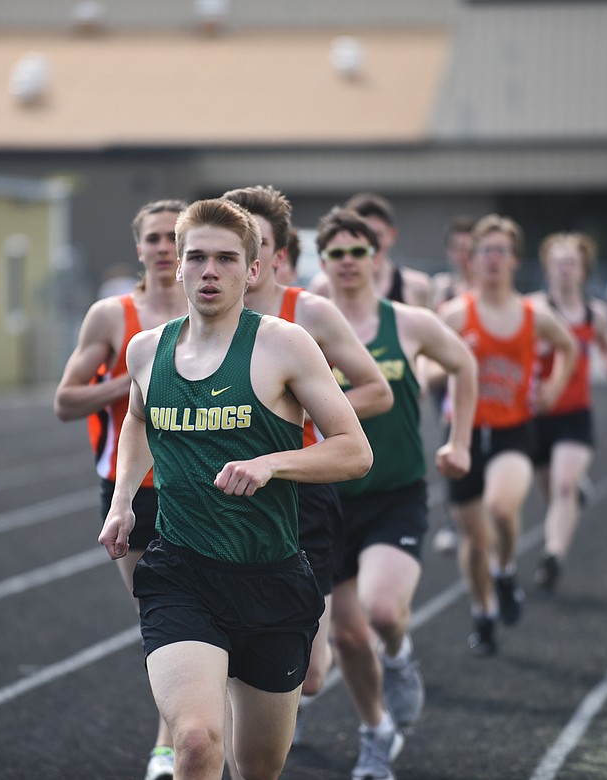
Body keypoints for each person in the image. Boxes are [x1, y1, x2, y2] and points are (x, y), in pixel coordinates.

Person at [98, 198, 373, 780]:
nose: (209, 271)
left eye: (226, 258)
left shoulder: (285, 344)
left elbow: (354, 450)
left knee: (257, 768)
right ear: (176, 266)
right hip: (181, 575)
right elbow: (138, 421)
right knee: (195, 744)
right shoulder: (147, 351)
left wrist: (274, 463)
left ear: (253, 269)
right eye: (195, 257)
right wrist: (123, 501)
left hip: (270, 579)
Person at [221, 186, 392, 753]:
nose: (234, 260)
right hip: (228, 496)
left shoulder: (308, 313)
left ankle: (365, 723)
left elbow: (376, 389)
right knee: (216, 635)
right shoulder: (206, 317)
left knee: (312, 674)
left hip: (302, 494)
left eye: (255, 245)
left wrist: (307, 411)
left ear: (276, 256)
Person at [317, 207, 477, 780]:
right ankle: (376, 731)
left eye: (357, 252)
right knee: (346, 635)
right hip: (328, 498)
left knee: (384, 612)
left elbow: (464, 363)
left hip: (395, 493)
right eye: (335, 253)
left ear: (376, 256)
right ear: (322, 261)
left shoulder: (407, 323)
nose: (347, 263)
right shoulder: (306, 327)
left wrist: (459, 441)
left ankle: (401, 656)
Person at [52, 198, 188, 780]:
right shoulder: (112, 316)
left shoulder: (217, 311)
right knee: (159, 615)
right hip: (132, 485)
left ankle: (173, 743)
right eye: (153, 237)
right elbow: (65, 401)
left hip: (202, 486)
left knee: (203, 613)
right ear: (139, 248)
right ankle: (181, 733)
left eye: (173, 237)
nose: (163, 247)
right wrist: (133, 384)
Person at [439, 215, 578, 657]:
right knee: (474, 541)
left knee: (502, 508)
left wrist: (554, 386)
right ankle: (483, 612)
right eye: (486, 251)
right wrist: (453, 360)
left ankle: (507, 569)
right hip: (462, 435)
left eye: (502, 251)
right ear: (472, 259)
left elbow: (569, 346)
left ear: (516, 260)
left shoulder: (534, 316)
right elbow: (426, 366)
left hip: (513, 430)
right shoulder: (457, 314)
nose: (493, 259)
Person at [527, 232, 607, 592]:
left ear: (583, 269)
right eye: (558, 264)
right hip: (537, 413)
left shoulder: (595, 313)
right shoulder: (533, 310)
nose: (565, 271)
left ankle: (553, 555)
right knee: (552, 493)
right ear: (547, 269)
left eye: (571, 264)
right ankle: (558, 535)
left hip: (575, 414)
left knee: (564, 486)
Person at [429, 216, 477, 556]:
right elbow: (430, 334)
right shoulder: (442, 288)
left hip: (490, 383)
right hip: (445, 383)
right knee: (451, 444)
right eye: (457, 248)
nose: (463, 255)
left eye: (469, 248)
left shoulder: (492, 285)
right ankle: (453, 520)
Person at [310, 193, 432, 308]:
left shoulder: (415, 286)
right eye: (358, 238)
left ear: (392, 235)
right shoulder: (323, 287)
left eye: (377, 235)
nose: (372, 242)